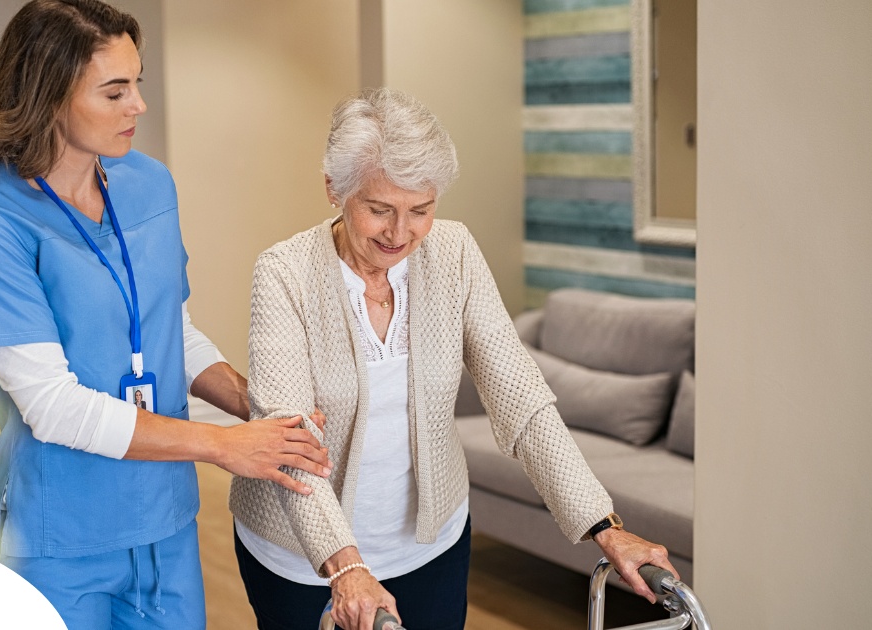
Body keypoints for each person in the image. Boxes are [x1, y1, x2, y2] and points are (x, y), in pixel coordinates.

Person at [0, 1, 332, 627]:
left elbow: (166, 328)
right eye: (114, 90)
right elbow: (51, 404)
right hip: (60, 534)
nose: (138, 106)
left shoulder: (148, 184)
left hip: (165, 519)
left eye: (138, 83)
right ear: (47, 97)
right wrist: (225, 447)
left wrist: (257, 407)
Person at [228, 88, 677, 630]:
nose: (401, 233)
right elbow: (289, 438)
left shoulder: (454, 251)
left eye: (421, 209)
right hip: (301, 558)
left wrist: (604, 524)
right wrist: (346, 567)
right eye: (379, 210)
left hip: (429, 544)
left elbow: (521, 398)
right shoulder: (285, 273)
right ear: (334, 189)